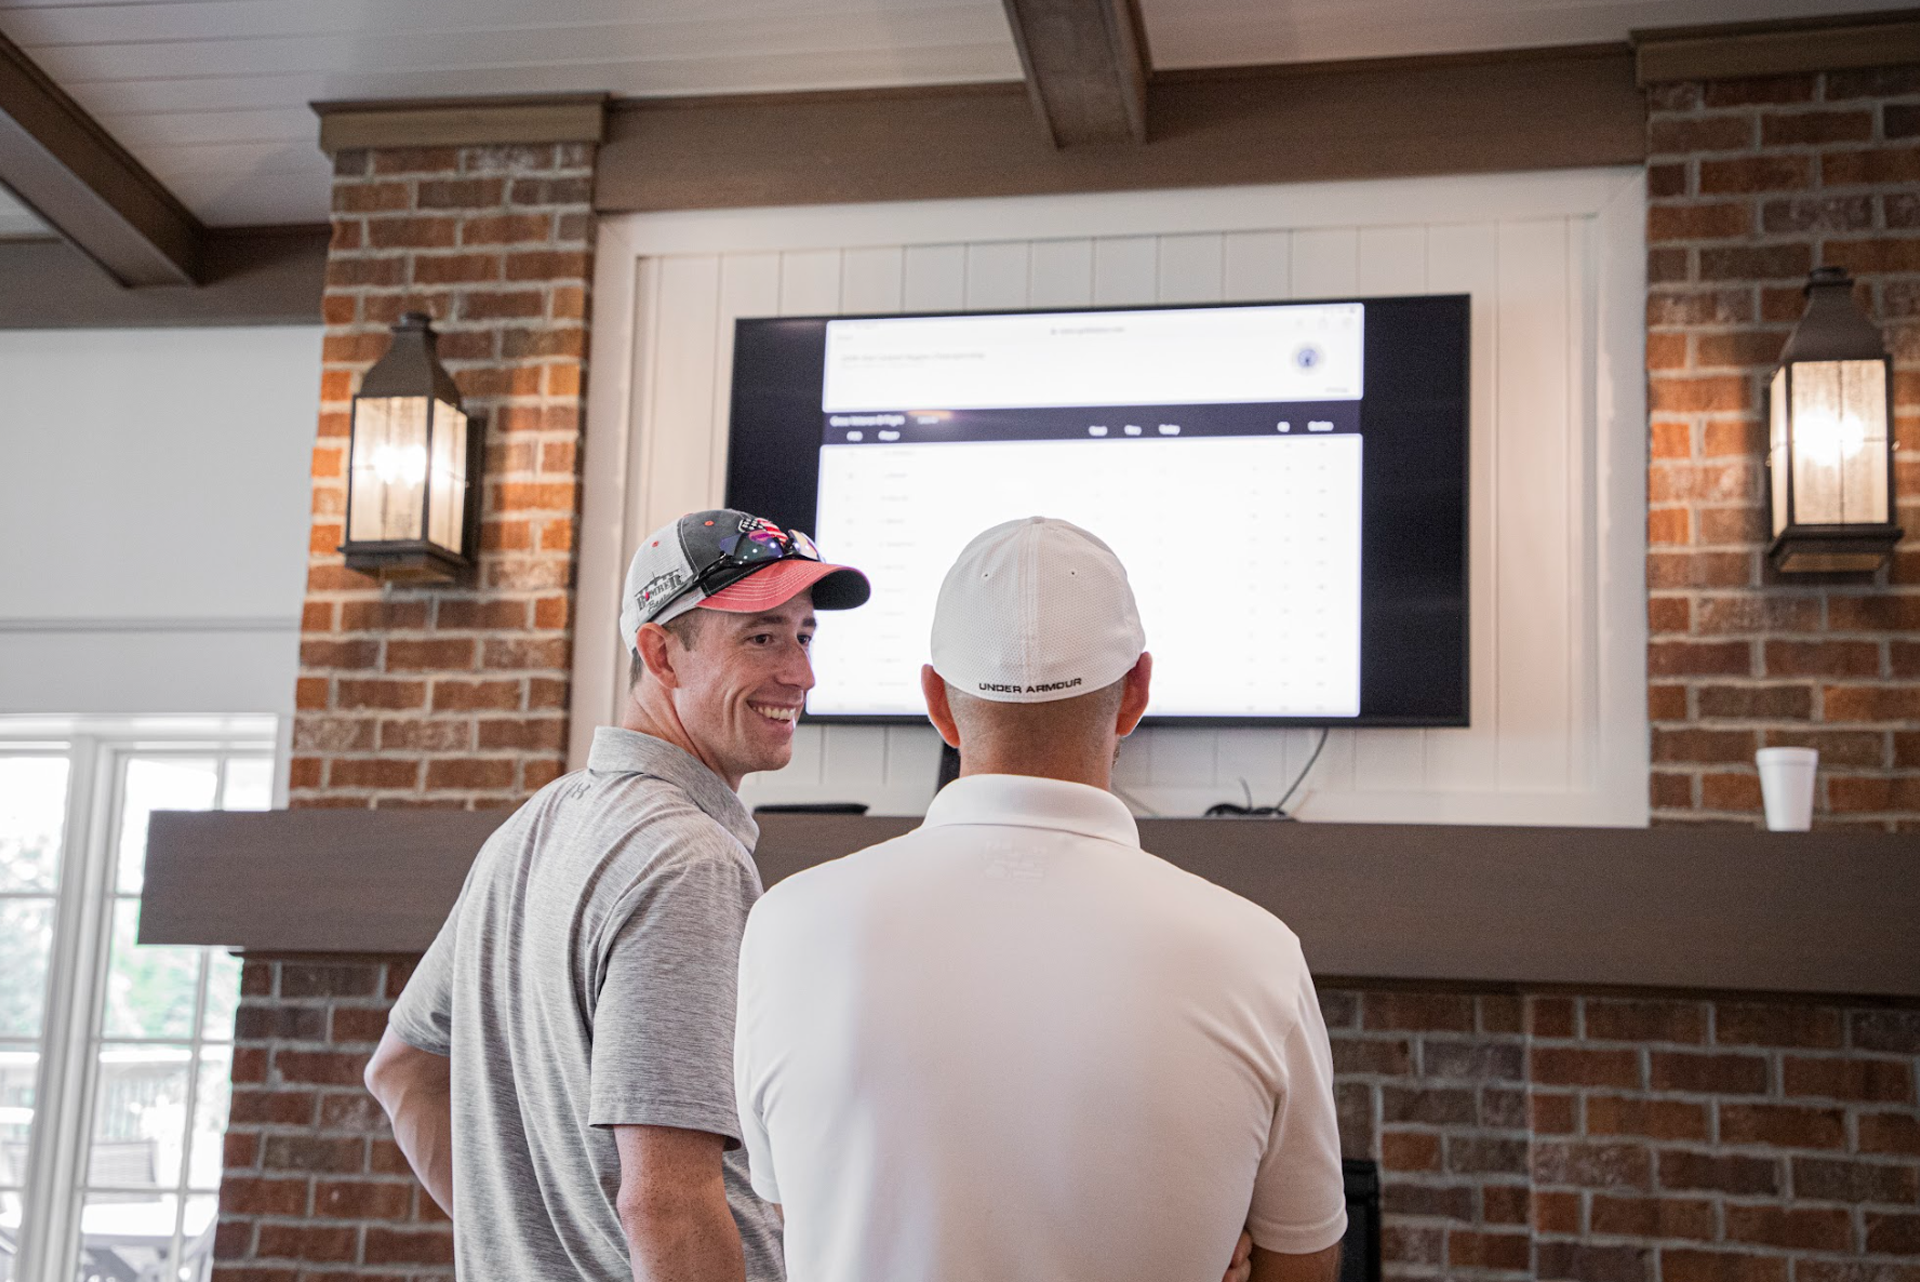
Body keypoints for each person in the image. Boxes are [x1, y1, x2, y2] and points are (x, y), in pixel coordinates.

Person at [734, 516, 1349, 1282]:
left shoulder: (785, 927)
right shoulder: (1257, 956)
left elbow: (795, 1209)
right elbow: (1304, 1259)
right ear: (1136, 693)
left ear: (937, 703)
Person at [364, 509, 869, 1282]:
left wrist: (524, 1252)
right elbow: (667, 1204)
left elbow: (402, 1074)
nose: (801, 675)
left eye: (804, 636)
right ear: (661, 653)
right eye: (761, 638)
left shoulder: (536, 823)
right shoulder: (691, 860)